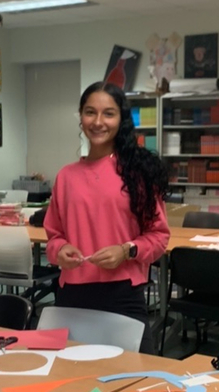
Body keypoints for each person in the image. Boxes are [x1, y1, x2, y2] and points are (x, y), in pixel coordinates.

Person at [44, 82, 170, 353]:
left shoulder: (137, 173)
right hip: (72, 296)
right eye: (90, 112)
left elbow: (159, 236)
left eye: (108, 113)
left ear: (121, 119)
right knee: (71, 374)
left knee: (137, 373)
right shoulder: (66, 176)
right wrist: (60, 250)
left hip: (123, 295)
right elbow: (54, 237)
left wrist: (127, 250)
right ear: (81, 117)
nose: (98, 122)